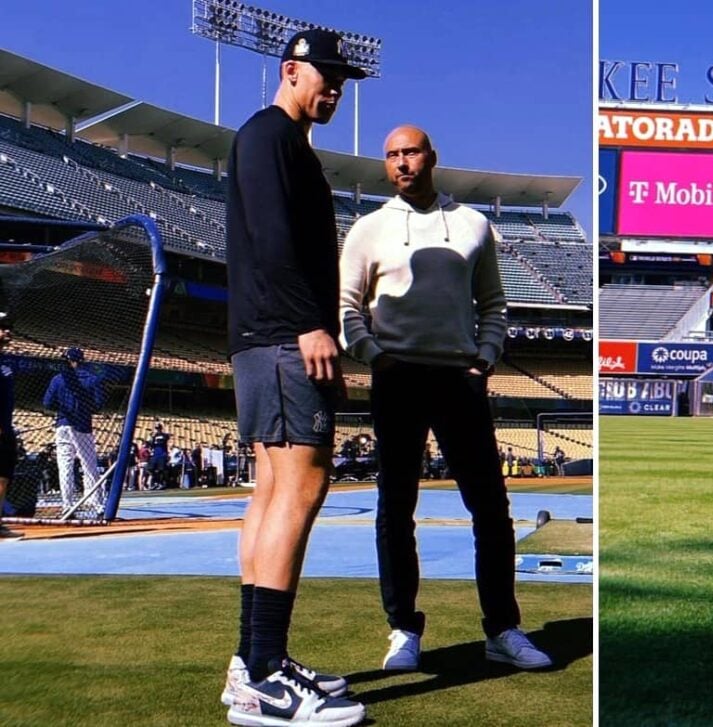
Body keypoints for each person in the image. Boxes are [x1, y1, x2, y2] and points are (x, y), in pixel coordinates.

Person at [339, 124, 551, 674]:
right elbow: (347, 306)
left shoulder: (472, 224)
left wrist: (484, 358)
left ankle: (502, 627)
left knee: (491, 510)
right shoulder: (368, 229)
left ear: (431, 156)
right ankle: (403, 628)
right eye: (391, 156)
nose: (401, 163)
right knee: (396, 509)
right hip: (397, 378)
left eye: (410, 152)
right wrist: (373, 355)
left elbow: (494, 304)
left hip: (460, 378)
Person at [221, 28, 366, 727]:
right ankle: (266, 673)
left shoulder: (282, 141)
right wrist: (310, 325)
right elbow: (275, 239)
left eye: (343, 78)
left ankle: (253, 659)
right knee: (301, 483)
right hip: (282, 337)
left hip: (266, 338)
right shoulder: (270, 136)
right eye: (325, 75)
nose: (335, 87)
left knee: (273, 486)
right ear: (290, 71)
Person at [42, 347, 105, 516]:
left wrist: (63, 409)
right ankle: (97, 504)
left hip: (62, 424)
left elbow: (47, 403)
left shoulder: (58, 379)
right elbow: (99, 405)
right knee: (89, 465)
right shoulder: (92, 379)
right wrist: (84, 409)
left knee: (65, 466)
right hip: (83, 425)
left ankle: (67, 505)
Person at [0, 316, 20, 538]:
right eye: (3, 328)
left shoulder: (6, 362)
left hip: (5, 428)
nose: (7, 331)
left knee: (3, 477)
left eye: (9, 328)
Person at [149, 421, 171, 489]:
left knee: (161, 469)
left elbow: (167, 436)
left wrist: (165, 425)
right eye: (156, 428)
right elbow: (151, 445)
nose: (157, 429)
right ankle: (156, 482)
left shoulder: (164, 435)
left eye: (158, 428)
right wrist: (151, 437)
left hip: (162, 454)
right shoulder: (154, 436)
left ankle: (161, 483)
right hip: (155, 455)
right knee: (151, 469)